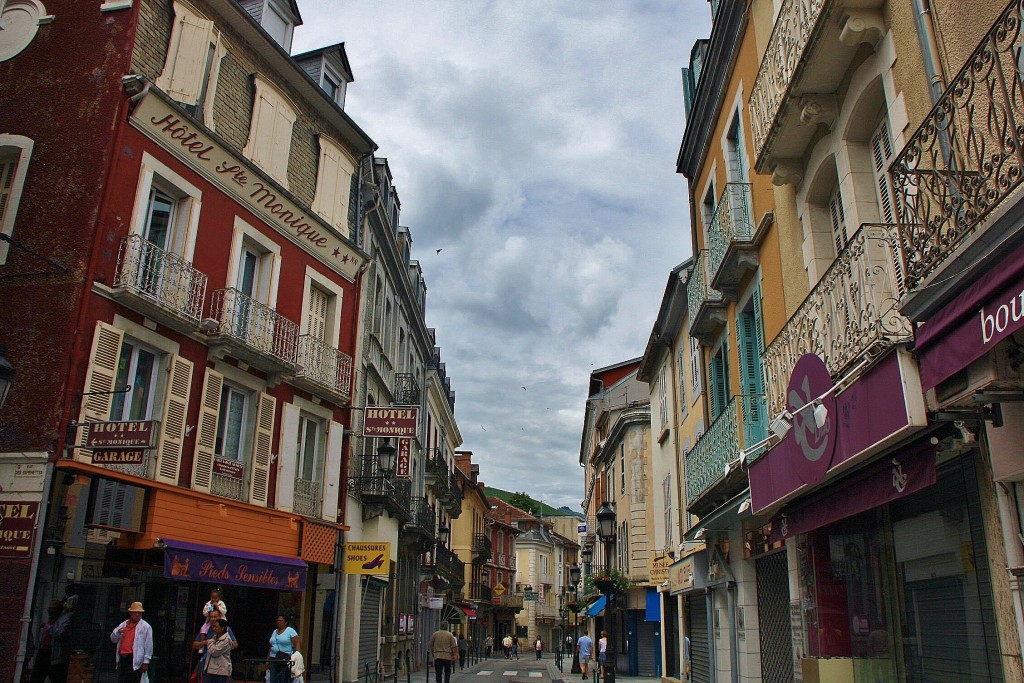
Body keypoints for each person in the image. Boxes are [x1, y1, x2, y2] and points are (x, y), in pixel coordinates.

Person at [110, 601, 153, 683]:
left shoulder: (146, 627)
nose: (137, 615)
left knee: (133, 679)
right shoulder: (123, 624)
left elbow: (149, 645)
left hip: (135, 658)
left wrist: (146, 661)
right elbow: (113, 639)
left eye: (139, 613)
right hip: (123, 658)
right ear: (130, 613)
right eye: (135, 613)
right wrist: (118, 631)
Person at [193, 609, 238, 681]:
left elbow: (234, 644)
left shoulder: (226, 630)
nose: (213, 619)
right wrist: (205, 642)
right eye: (211, 617)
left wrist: (223, 645)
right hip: (206, 664)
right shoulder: (205, 629)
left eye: (215, 616)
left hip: (220, 667)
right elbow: (194, 645)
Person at [267, 615, 300, 683]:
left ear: (285, 622)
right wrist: (267, 660)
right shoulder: (274, 631)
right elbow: (271, 646)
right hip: (273, 658)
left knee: (283, 678)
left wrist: (297, 658)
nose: (278, 622)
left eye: (281, 620)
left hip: (284, 658)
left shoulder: (290, 631)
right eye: (277, 620)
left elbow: (297, 644)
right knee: (273, 678)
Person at [202, 619, 232, 683]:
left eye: (216, 627)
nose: (214, 628)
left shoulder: (226, 640)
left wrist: (209, 643)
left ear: (222, 628)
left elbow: (214, 652)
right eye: (213, 626)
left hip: (220, 672)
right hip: (209, 670)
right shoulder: (214, 637)